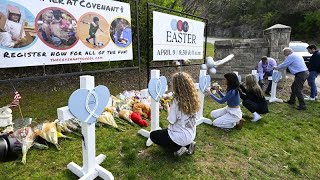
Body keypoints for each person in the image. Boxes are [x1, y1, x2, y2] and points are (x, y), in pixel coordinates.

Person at [150, 72, 200, 157]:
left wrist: (168, 108)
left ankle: (178, 148)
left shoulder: (177, 101)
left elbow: (171, 121)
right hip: (191, 133)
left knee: (153, 135)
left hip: (180, 136)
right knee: (165, 131)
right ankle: (189, 145)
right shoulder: (193, 98)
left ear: (177, 86)